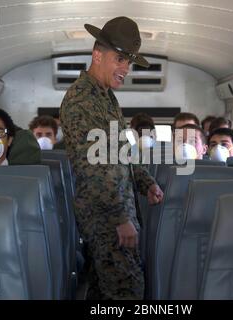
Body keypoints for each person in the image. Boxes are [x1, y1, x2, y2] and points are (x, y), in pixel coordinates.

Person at [59, 16, 164, 300]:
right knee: (127, 290)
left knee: (105, 289)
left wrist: (145, 182)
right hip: (105, 215)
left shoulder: (105, 97)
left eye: (128, 62)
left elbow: (119, 152)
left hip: (115, 207)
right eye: (119, 59)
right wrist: (120, 217)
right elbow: (93, 167)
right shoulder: (82, 100)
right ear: (97, 55)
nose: (125, 69)